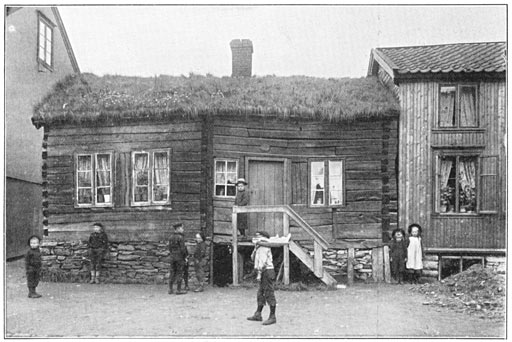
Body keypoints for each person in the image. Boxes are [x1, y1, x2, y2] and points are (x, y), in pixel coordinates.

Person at [247, 231, 277, 326]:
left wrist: (259, 274)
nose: (256, 238)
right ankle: (258, 314)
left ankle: (272, 317)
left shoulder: (264, 245)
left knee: (268, 293)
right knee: (260, 293)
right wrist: (255, 249)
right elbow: (253, 258)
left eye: (258, 236)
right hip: (264, 271)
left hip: (267, 271)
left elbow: (263, 262)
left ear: (263, 237)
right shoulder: (259, 246)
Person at [168, 222, 188, 295]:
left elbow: (169, 248)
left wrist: (173, 254)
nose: (183, 229)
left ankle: (170, 289)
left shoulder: (170, 237)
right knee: (180, 272)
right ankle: (178, 290)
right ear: (178, 229)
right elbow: (183, 249)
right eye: (182, 228)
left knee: (172, 272)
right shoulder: (181, 237)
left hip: (172, 257)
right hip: (179, 258)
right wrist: (185, 257)